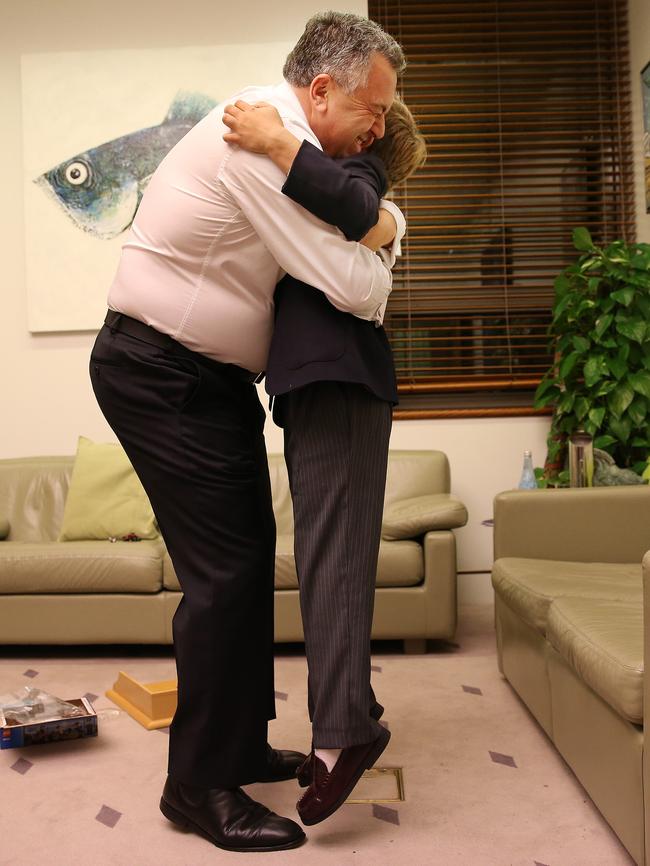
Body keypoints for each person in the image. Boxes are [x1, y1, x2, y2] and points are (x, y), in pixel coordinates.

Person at [88, 11, 405, 855]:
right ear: (322, 88)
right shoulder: (255, 138)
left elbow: (356, 216)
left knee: (246, 557)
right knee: (222, 576)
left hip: (210, 379)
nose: (380, 126)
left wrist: (384, 220)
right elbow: (350, 283)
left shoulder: (295, 150)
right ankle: (195, 787)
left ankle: (235, 745)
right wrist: (383, 234)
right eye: (373, 108)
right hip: (156, 370)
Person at [221, 97, 427, 825]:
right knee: (329, 557)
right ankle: (357, 708)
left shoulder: (355, 176)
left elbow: (352, 200)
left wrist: (278, 141)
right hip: (327, 388)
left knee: (331, 562)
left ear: (372, 140)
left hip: (338, 384)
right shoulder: (343, 204)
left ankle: (344, 736)